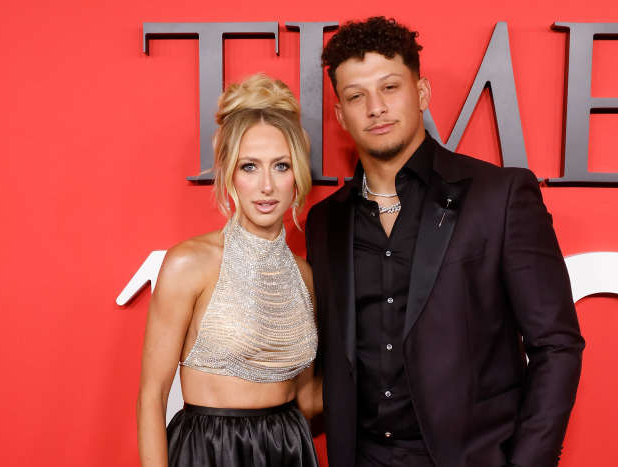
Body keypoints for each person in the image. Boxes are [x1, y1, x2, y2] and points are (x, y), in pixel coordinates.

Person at [305, 17, 585, 467]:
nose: (375, 107)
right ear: (340, 115)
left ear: (421, 93)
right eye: (357, 96)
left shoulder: (500, 196)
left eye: (390, 87)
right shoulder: (324, 222)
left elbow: (557, 346)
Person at [137, 73, 321, 467]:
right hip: (210, 450)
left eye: (281, 166)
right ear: (229, 173)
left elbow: (307, 399)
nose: (267, 186)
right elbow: (151, 397)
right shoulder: (190, 263)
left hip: (289, 448)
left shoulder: (305, 276)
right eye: (250, 166)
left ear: (298, 175)